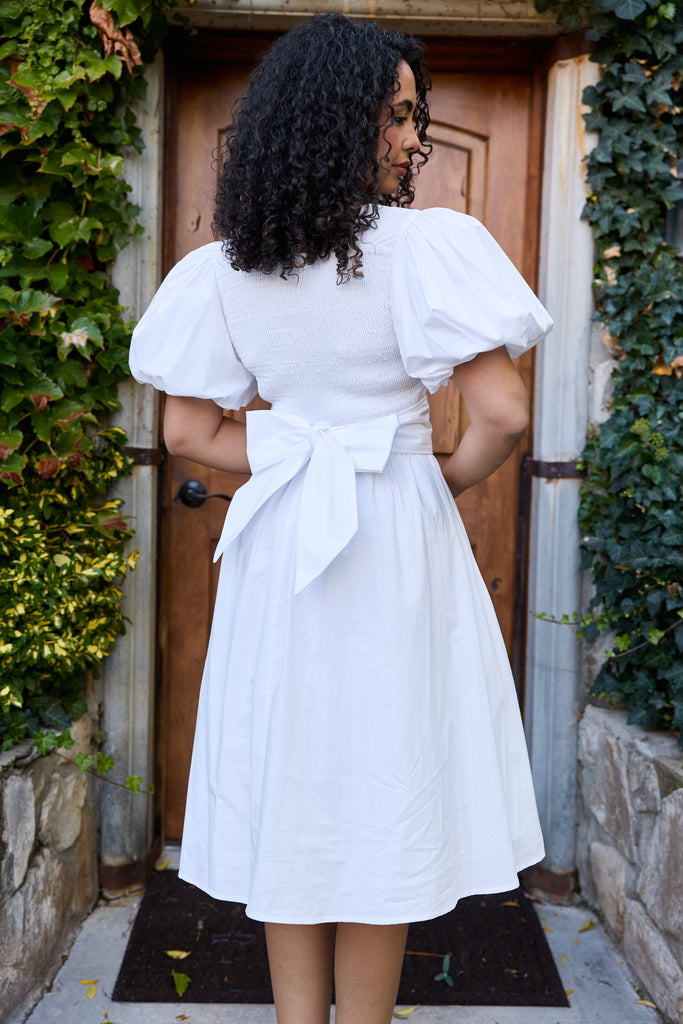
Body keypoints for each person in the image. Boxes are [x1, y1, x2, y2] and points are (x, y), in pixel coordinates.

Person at [130, 13, 552, 1024]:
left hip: (282, 542)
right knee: (380, 782)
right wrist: (437, 471)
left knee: (298, 786)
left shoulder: (223, 269)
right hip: (393, 540)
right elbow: (503, 414)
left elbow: (188, 431)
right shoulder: (426, 249)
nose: (416, 137)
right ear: (341, 121)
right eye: (401, 114)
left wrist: (287, 449)